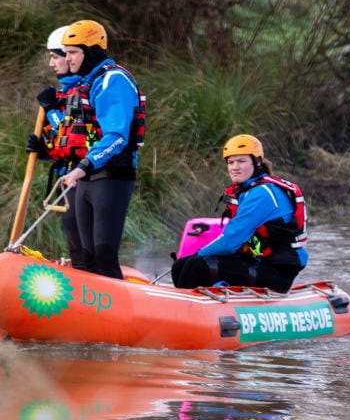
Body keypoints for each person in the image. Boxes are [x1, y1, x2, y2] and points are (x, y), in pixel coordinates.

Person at [58, 19, 146, 279]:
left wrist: (83, 166)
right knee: (85, 260)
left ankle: (123, 316)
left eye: (74, 52)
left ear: (92, 51)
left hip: (112, 177)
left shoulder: (113, 80)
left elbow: (118, 135)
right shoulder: (88, 82)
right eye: (67, 52)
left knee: (103, 256)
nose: (68, 59)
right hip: (89, 176)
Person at [171, 134, 307, 292]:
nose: (235, 167)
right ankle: (191, 305)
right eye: (230, 162)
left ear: (257, 162)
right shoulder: (247, 191)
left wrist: (198, 254)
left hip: (277, 272)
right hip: (257, 261)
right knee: (181, 265)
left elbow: (230, 242)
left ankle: (191, 311)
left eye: (241, 161)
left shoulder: (262, 193)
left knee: (195, 266)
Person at [24, 25, 85, 263]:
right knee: (74, 242)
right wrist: (45, 151)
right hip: (67, 177)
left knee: (84, 245)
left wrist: (50, 110)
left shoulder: (82, 91)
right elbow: (64, 141)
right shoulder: (67, 91)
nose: (52, 64)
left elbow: (73, 134)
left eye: (55, 57)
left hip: (83, 178)